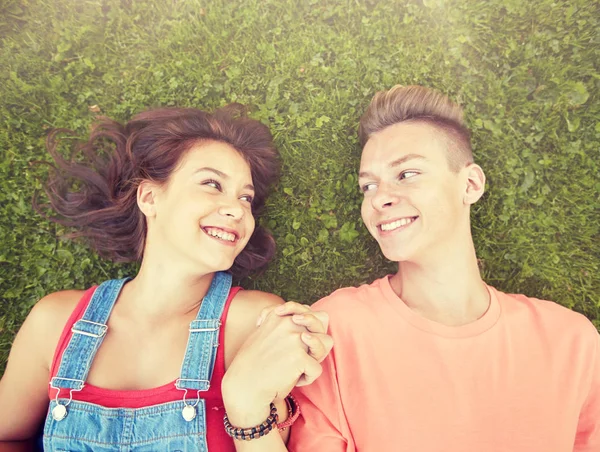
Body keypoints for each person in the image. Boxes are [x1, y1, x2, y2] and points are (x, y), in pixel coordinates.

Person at [0, 105, 333, 451]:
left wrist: (246, 403)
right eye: (212, 184)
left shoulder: (256, 322)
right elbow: (7, 436)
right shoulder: (54, 322)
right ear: (149, 196)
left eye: (245, 197)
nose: (237, 209)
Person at [286, 85, 600, 451]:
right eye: (368, 185)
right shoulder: (333, 329)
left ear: (470, 184)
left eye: (407, 174)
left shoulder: (571, 342)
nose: (379, 198)